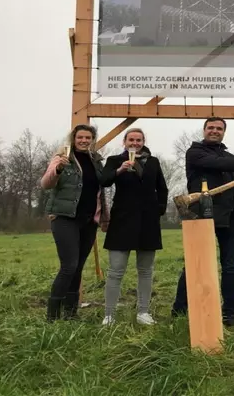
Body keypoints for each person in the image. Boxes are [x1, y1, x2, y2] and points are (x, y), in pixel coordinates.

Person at [171, 117, 234, 327]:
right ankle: (180, 310)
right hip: (202, 217)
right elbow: (217, 164)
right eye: (211, 128)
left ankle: (229, 314)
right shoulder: (195, 153)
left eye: (219, 128)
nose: (215, 131)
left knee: (230, 267)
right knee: (194, 265)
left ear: (224, 132)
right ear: (204, 130)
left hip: (232, 219)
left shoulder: (232, 159)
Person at [99, 128, 168, 326]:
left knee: (146, 270)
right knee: (116, 270)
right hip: (122, 220)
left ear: (143, 141)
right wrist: (120, 170)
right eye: (131, 139)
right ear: (124, 141)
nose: (135, 143)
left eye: (139, 140)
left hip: (148, 221)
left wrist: (160, 209)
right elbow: (103, 181)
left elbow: (162, 187)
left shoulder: (153, 162)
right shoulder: (114, 160)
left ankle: (143, 312)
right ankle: (109, 315)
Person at [40, 124, 108, 322]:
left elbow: (101, 189)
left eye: (88, 138)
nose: (84, 141)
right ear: (74, 138)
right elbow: (45, 184)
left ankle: (71, 313)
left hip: (89, 221)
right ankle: (52, 315)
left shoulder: (96, 161)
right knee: (68, 266)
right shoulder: (62, 159)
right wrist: (58, 170)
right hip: (65, 218)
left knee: (78, 267)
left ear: (92, 140)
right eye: (80, 137)